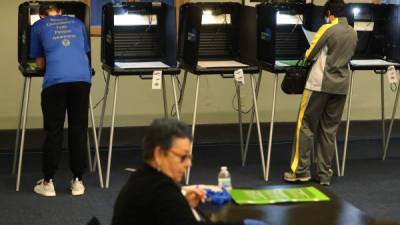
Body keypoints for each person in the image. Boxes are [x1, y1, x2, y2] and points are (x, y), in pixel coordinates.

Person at [111, 118, 266, 225]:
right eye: (183, 157)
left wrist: (182, 205)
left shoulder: (142, 178)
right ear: (159, 154)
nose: (189, 164)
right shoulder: (161, 192)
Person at [283, 0, 358, 186]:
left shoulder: (327, 28)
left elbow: (309, 54)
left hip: (319, 84)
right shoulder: (353, 32)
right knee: (329, 130)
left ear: (330, 13)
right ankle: (324, 174)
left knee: (306, 125)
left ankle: (301, 172)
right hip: (341, 86)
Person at [30, 3, 92, 196]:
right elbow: (84, 52)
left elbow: (40, 63)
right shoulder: (77, 23)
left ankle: (48, 183)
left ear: (41, 16)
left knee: (54, 130)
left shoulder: (38, 26)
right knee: (78, 129)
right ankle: (78, 182)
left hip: (55, 81)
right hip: (82, 79)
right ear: (62, 13)